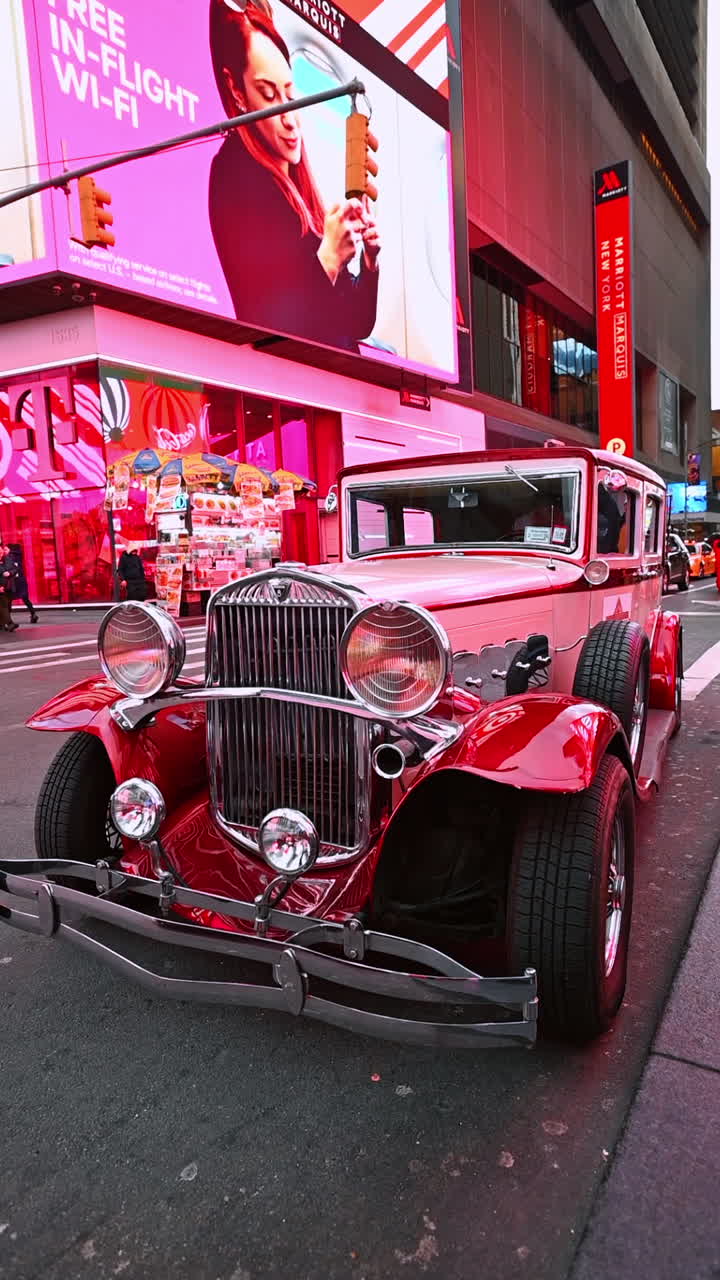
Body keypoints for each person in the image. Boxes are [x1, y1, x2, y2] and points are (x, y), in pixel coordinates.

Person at [208, 0, 380, 352]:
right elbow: (273, 330)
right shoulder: (233, 174)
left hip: (341, 381)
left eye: (290, 93)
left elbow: (357, 324)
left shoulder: (300, 189)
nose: (290, 117)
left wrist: (368, 260)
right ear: (238, 93)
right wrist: (329, 257)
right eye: (270, 95)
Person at [2, 544, 38, 623]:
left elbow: (11, 570)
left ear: (10, 550)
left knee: (8, 600)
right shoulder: (18, 556)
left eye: (5, 550)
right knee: (25, 599)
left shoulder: (8, 558)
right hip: (21, 580)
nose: (4, 551)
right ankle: (33, 613)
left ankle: (8, 620)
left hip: (14, 581)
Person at [0, 546, 19, 632]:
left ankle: (2, 624)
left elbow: (15, 568)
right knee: (3, 606)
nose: (0, 554)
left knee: (7, 606)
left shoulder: (7, 559)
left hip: (9, 586)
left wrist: (10, 572)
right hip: (1, 587)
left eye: (1, 552)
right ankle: (10, 623)